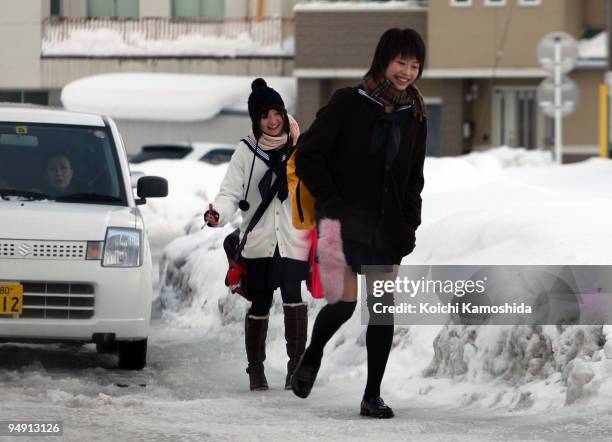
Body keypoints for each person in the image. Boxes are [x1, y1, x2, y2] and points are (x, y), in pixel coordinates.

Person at [291, 28, 428, 418]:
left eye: (415, 65)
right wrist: (331, 201)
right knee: (345, 304)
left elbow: (414, 176)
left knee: (382, 309)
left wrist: (409, 223)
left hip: (387, 227)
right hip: (342, 221)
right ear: (383, 60)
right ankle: (313, 354)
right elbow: (309, 155)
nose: (406, 71)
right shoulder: (348, 103)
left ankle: (372, 396)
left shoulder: (415, 115)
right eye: (400, 62)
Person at [205, 78, 311, 391]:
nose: (272, 120)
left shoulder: (300, 147)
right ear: (256, 120)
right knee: (261, 303)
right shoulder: (246, 152)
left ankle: (296, 369)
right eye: (264, 116)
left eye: (276, 112)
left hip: (292, 239)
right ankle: (256, 370)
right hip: (260, 241)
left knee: (294, 299)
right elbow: (228, 193)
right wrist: (218, 215)